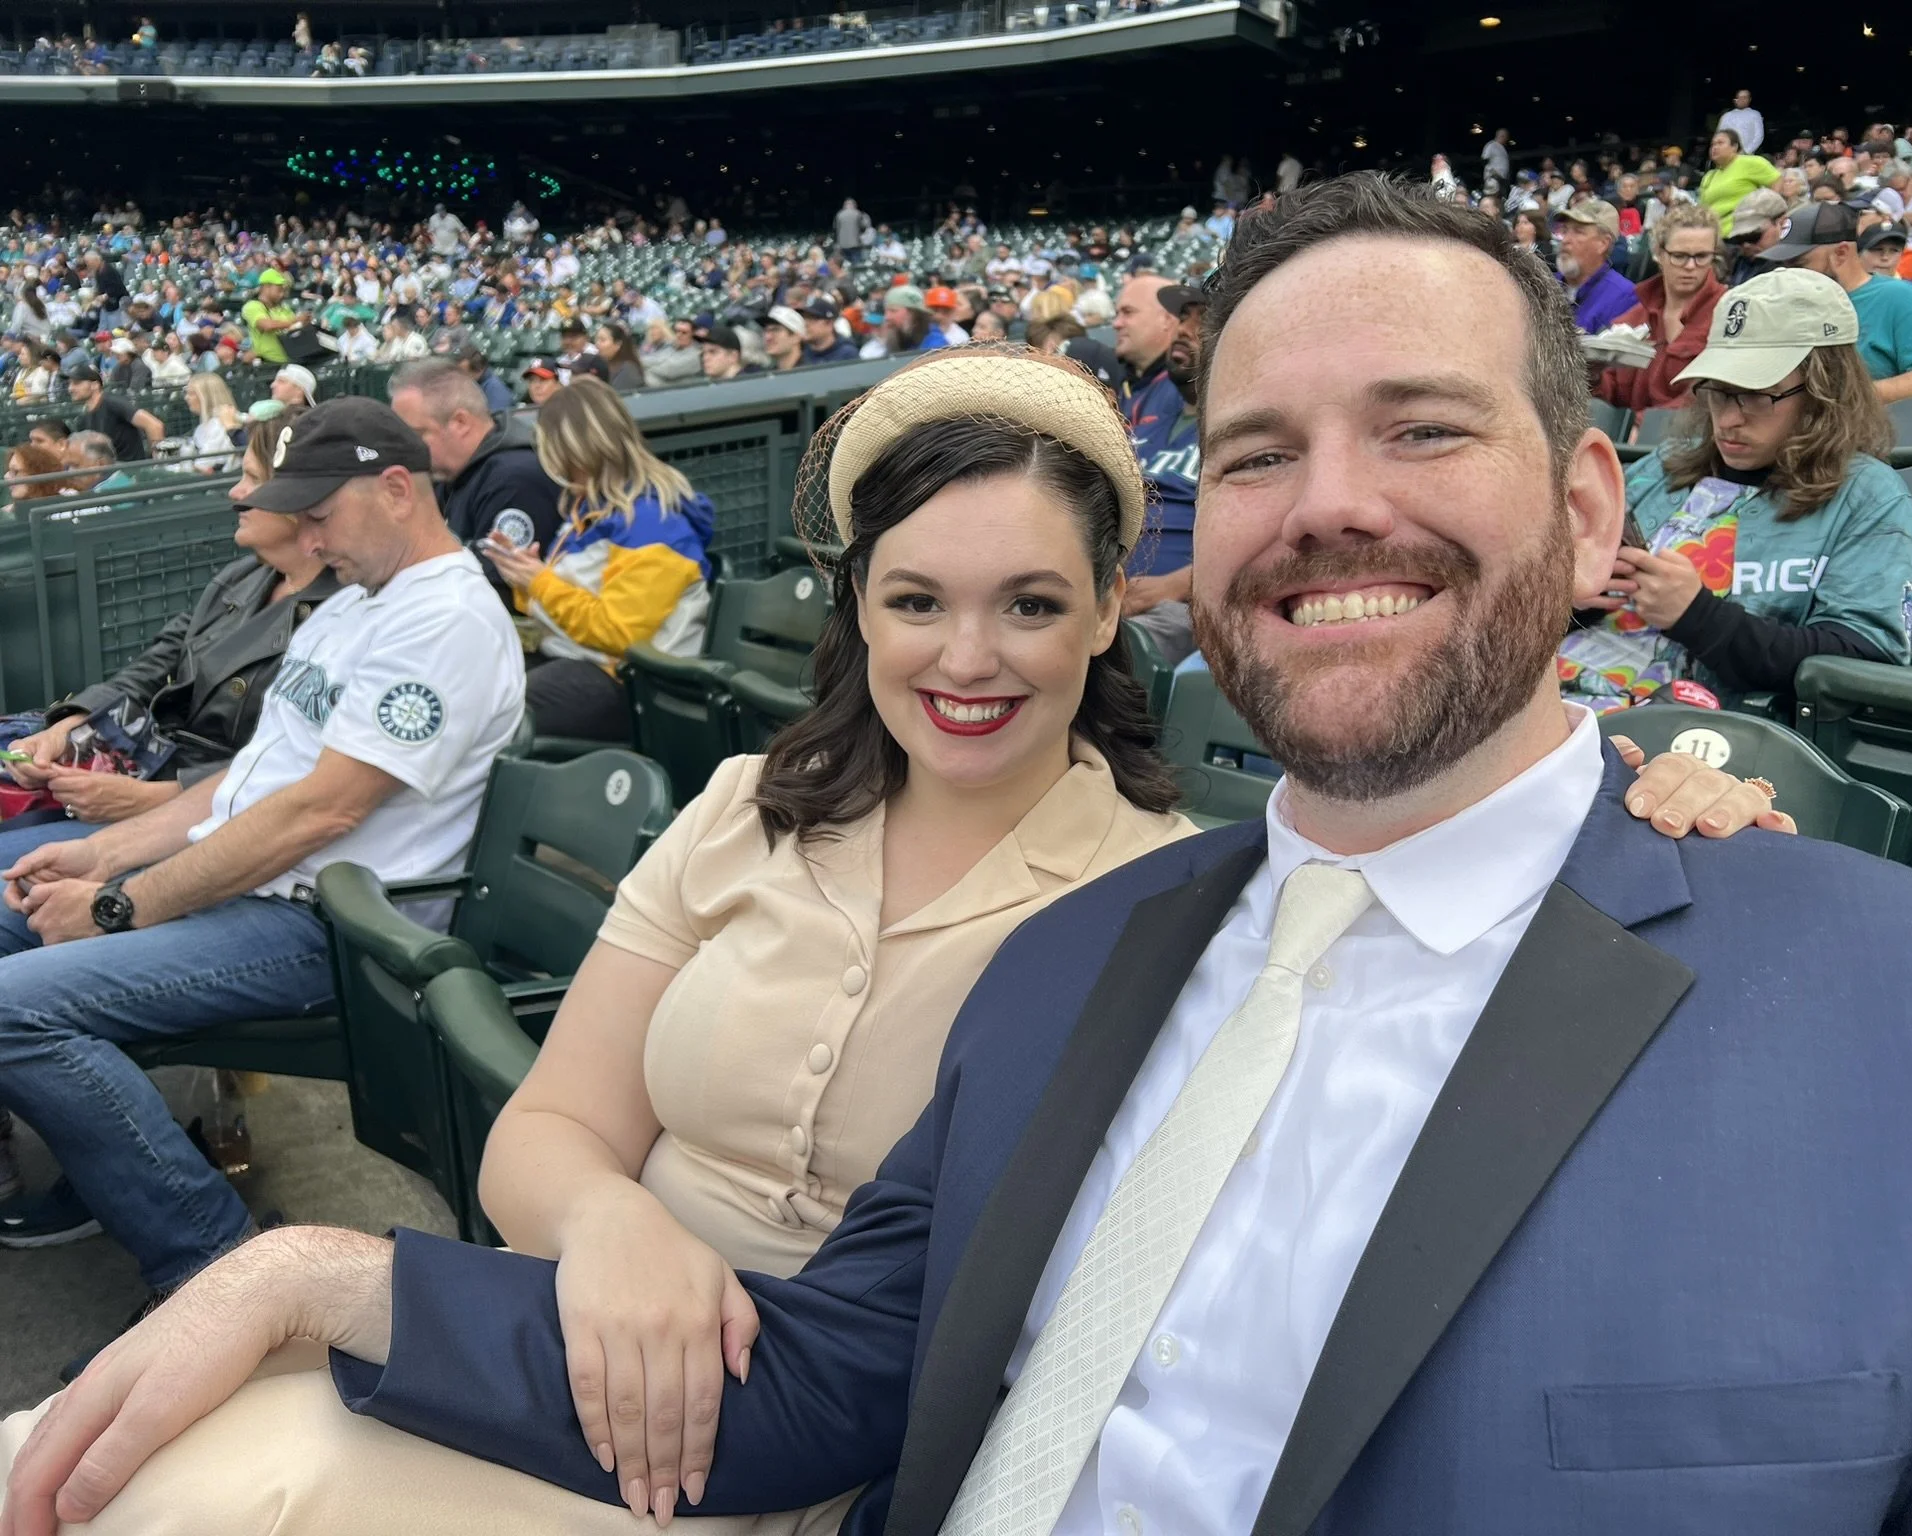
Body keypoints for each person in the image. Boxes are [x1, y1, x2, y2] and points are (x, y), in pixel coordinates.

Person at [0, 338, 1779, 1534]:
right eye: (917, 600)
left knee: (226, 1475)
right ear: (855, 609)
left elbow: (1441, 866)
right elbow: (552, 1126)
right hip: (558, 1347)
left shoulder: (1175, 899)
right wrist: (612, 1232)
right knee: (120, 1450)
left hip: (787, 1453)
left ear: (1109, 616)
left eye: (1028, 604)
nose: (968, 657)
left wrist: (1652, 793)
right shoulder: (743, 806)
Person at [0, 396, 525, 1365]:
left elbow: (317, 814)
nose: (310, 535)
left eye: (322, 513)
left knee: (12, 1007)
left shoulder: (444, 616)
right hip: (264, 891)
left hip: (328, 929)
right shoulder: (357, 605)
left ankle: (211, 1266)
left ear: (398, 488)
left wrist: (120, 906)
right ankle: (88, 1171)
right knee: (9, 885)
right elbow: (238, 791)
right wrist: (100, 855)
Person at [1561, 268, 1912, 711]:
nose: (1728, 418)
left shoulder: (1870, 497)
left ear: (1825, 391)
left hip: (1691, 736)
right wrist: (1570, 596)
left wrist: (1699, 618)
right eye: (1718, 392)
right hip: (1552, 700)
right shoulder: (1666, 465)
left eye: (1756, 395)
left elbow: (1864, 658)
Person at [1, 407, 336, 856]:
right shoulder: (243, 576)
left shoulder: (344, 610)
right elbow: (151, 668)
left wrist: (152, 798)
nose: (236, 492)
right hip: (160, 774)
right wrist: (70, 726)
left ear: (302, 501)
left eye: (253, 480)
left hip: (218, 822)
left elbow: (301, 764)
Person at [474, 383, 714, 742]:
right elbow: (574, 599)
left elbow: (621, 635)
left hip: (629, 684)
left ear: (577, 452)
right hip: (576, 659)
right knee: (472, 681)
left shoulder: (654, 523)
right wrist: (524, 576)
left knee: (495, 710)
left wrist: (539, 582)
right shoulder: (590, 509)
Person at [387, 358, 564, 607]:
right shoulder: (449, 471)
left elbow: (493, 592)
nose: (406, 449)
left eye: (416, 435)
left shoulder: (514, 478)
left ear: (460, 423)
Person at [1764, 202, 1912, 401]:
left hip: (1874, 426)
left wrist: (1845, 400)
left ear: (1840, 253)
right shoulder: (1789, 303)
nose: (1788, 273)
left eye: (1799, 265)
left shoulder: (1900, 298)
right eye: (1785, 265)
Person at [1122, 283, 1204, 665]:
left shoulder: (1252, 426)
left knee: (1118, 650)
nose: (1184, 330)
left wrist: (1170, 587)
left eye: (1203, 322)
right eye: (1183, 319)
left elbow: (1273, 544)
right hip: (1108, 590)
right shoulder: (1150, 414)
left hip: (1180, 605)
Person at [1591, 203, 1724, 412]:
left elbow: (1714, 394)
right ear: (1659, 255)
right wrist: (1593, 375)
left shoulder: (1727, 314)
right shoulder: (1630, 321)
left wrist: (1642, 427)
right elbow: (1608, 395)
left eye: (1701, 256)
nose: (1690, 266)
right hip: (1627, 440)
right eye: (1679, 256)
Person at [1551, 200, 1637, 333]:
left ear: (1603, 244)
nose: (1566, 240)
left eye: (1578, 232)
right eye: (1564, 230)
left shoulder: (1624, 297)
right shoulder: (1546, 286)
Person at [65, 363, 161, 466]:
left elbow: (154, 425)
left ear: (95, 385)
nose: (70, 389)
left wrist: (158, 463)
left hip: (132, 472)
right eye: (69, 384)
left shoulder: (113, 403)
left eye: (76, 383)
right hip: (108, 475)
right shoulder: (82, 419)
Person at [1698, 129, 1783, 236]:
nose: (1714, 147)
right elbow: (1702, 207)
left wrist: (1769, 214)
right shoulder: (1709, 176)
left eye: (1720, 143)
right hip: (1714, 235)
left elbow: (1777, 180)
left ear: (1734, 146)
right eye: (1713, 144)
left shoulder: (1750, 162)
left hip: (1743, 233)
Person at [1110, 272, 1175, 405]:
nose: (1116, 324)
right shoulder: (1124, 384)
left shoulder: (1191, 390)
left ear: (1166, 319)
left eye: (1128, 312)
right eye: (1117, 314)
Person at [1722, 188, 1787, 286]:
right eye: (1739, 239)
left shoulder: (1790, 268)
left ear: (1781, 224)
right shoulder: (1729, 261)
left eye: (1754, 236)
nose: (1746, 245)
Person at [239, 269, 301, 367]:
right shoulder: (253, 306)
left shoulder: (284, 308)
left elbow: (295, 327)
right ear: (266, 287)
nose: (282, 294)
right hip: (267, 364)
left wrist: (301, 323)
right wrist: (294, 321)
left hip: (289, 361)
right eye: (279, 290)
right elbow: (266, 325)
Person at [182, 373, 241, 472]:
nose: (186, 398)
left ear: (206, 397)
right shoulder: (204, 426)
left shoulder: (218, 425)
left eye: (191, 394)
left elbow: (204, 465)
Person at [799, 298, 858, 364]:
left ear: (829, 324)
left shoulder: (847, 354)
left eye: (812, 320)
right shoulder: (800, 350)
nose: (806, 324)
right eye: (804, 319)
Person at [593, 322, 645, 391]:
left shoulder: (628, 369)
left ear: (618, 344)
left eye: (602, 340)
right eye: (597, 339)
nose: (597, 344)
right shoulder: (601, 365)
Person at [1717, 88, 1765, 155]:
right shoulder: (1726, 116)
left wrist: (1746, 151)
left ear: (1749, 99)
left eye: (1745, 97)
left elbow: (1759, 136)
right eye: (1739, 97)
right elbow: (1719, 135)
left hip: (1747, 155)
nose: (1741, 100)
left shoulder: (1755, 114)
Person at [761, 306, 806, 371]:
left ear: (796, 337)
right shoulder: (766, 376)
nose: (768, 337)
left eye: (776, 330)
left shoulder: (814, 373)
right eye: (766, 331)